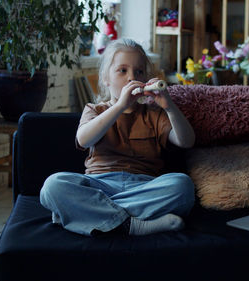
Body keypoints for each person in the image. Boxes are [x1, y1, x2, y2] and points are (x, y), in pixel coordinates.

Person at [40, 38, 196, 236]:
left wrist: (169, 106)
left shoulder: (154, 114)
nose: (132, 77)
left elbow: (186, 141)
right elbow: (84, 140)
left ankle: (86, 214)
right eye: (122, 71)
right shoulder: (95, 109)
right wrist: (120, 106)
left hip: (143, 187)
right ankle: (134, 225)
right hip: (100, 186)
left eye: (139, 72)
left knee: (183, 186)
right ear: (106, 78)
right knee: (53, 186)